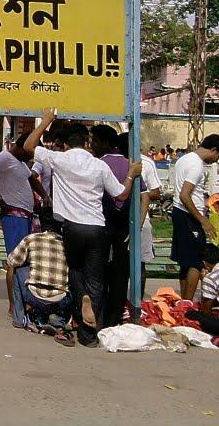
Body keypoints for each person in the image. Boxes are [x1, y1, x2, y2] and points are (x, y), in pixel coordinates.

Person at [23, 111, 142, 348]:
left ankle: (81, 307)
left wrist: (46, 121)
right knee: (96, 280)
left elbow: (28, 146)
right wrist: (131, 175)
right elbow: (121, 194)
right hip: (97, 228)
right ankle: (89, 336)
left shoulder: (59, 159)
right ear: (87, 143)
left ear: (65, 145)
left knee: (75, 273)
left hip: (72, 227)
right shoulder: (99, 166)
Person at [0, 131, 49, 316]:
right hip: (14, 216)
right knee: (15, 261)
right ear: (22, 147)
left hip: (26, 216)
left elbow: (31, 179)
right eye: (30, 153)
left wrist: (45, 196)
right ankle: (13, 305)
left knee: (25, 261)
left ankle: (22, 301)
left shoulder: (20, 163)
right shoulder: (4, 157)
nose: (31, 157)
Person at [170, 134, 219, 299]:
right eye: (218, 156)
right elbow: (185, 195)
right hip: (189, 215)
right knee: (196, 261)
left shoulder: (184, 159)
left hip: (181, 212)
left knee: (185, 261)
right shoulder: (196, 165)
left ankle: (184, 301)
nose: (216, 160)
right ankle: (188, 301)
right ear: (213, 150)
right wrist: (202, 219)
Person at [7, 217, 75, 346]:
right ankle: (57, 318)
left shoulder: (31, 239)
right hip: (61, 299)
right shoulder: (66, 243)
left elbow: (11, 261)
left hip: (35, 296)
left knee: (18, 271)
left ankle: (19, 319)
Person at [89, 125, 130, 329]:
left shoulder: (98, 165)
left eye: (94, 141)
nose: (91, 145)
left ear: (105, 143)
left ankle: (99, 319)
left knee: (98, 274)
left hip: (101, 223)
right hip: (124, 227)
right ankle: (116, 319)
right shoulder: (130, 165)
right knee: (120, 275)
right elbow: (143, 197)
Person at [117, 133, 162, 299]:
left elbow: (156, 193)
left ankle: (138, 300)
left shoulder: (147, 163)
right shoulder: (114, 161)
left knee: (139, 263)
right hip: (118, 219)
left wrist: (136, 192)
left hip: (142, 218)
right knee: (118, 264)